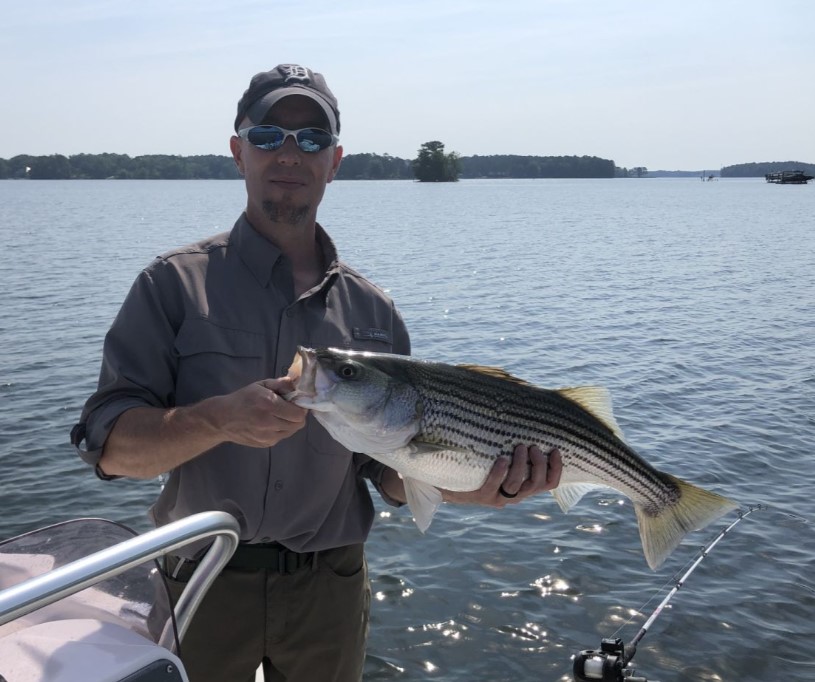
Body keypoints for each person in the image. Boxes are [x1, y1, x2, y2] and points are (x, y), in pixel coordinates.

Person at [71, 63, 563, 682]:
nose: (289, 154)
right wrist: (216, 419)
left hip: (330, 588)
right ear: (237, 151)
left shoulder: (375, 311)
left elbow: (389, 470)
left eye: (311, 139)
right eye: (268, 135)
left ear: (334, 161)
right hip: (198, 581)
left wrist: (476, 485)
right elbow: (112, 450)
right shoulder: (170, 285)